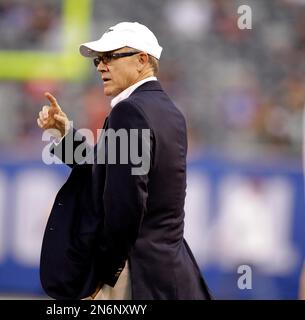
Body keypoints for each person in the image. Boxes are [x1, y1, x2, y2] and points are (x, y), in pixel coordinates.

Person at [38, 22, 212, 300]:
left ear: (142, 60)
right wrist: (65, 136)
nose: (100, 66)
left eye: (110, 57)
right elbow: (109, 172)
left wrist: (103, 273)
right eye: (98, 59)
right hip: (166, 268)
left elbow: (126, 204)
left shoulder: (129, 111)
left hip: (133, 273)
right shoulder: (170, 111)